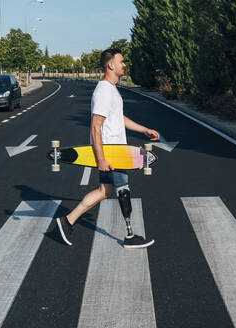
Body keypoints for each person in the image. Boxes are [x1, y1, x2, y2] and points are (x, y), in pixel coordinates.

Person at [56, 48, 160, 249]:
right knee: (123, 188)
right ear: (110, 65)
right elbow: (96, 125)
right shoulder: (104, 90)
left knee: (105, 190)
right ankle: (130, 235)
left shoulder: (111, 89)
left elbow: (118, 118)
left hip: (114, 150)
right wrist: (101, 158)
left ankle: (67, 220)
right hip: (112, 151)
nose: (124, 65)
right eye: (121, 61)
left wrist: (144, 129)